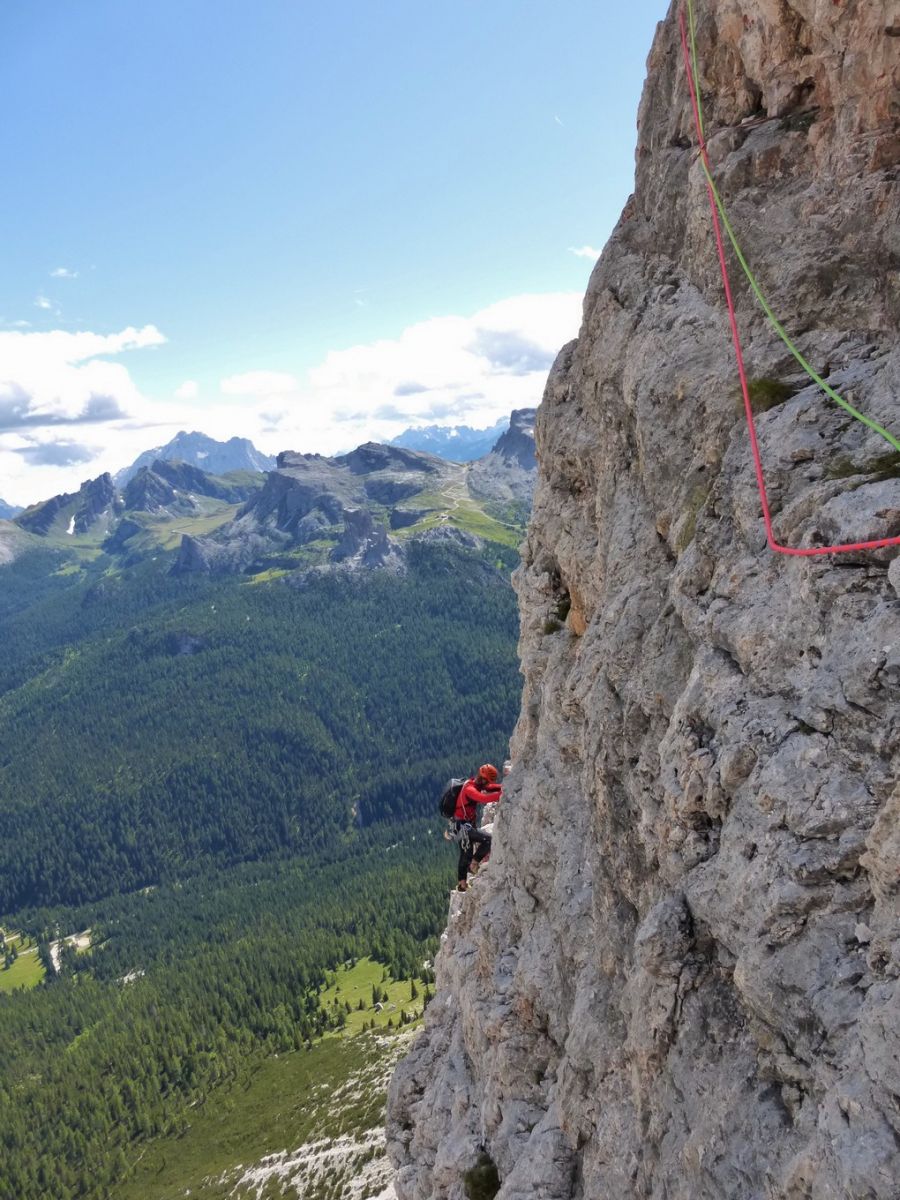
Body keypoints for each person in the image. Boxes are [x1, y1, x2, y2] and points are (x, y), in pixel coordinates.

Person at [454, 764, 502, 891]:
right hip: (464, 827)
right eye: (487, 780)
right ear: (483, 778)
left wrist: (504, 787)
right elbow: (483, 798)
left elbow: (490, 787)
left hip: (460, 826)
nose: (487, 784)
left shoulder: (474, 783)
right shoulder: (470, 789)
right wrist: (501, 795)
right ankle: (474, 864)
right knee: (489, 839)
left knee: (465, 854)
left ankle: (462, 884)